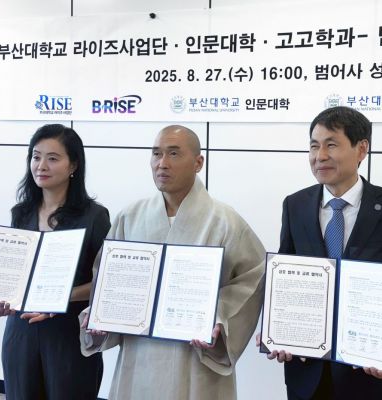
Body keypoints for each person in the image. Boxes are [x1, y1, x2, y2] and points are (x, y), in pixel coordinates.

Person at [80, 125, 265, 400]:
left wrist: (218, 318)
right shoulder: (130, 217)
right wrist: (100, 316)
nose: (162, 163)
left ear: (198, 162)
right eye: (156, 154)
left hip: (194, 358)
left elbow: (254, 277)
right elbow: (107, 279)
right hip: (140, 354)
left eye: (174, 153)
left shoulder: (225, 221)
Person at [269, 106, 382, 400]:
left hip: (369, 379)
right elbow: (284, 278)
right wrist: (277, 330)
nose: (320, 156)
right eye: (314, 146)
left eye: (331, 145)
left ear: (361, 149)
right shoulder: (294, 205)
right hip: (306, 377)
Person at [0, 124, 111, 400]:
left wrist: (59, 297)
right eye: (36, 156)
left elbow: (106, 282)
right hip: (21, 332)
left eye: (52, 158)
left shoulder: (94, 216)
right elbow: (13, 274)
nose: (41, 166)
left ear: (73, 165)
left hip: (68, 335)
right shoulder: (21, 214)